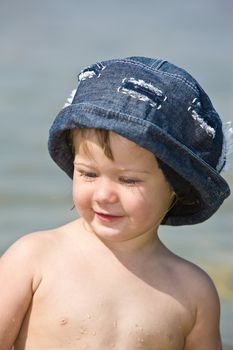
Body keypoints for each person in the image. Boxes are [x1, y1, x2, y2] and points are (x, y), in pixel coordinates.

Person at [0, 56, 232, 350]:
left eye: (129, 180)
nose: (104, 194)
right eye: (88, 173)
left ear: (178, 187)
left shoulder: (193, 292)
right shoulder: (33, 258)